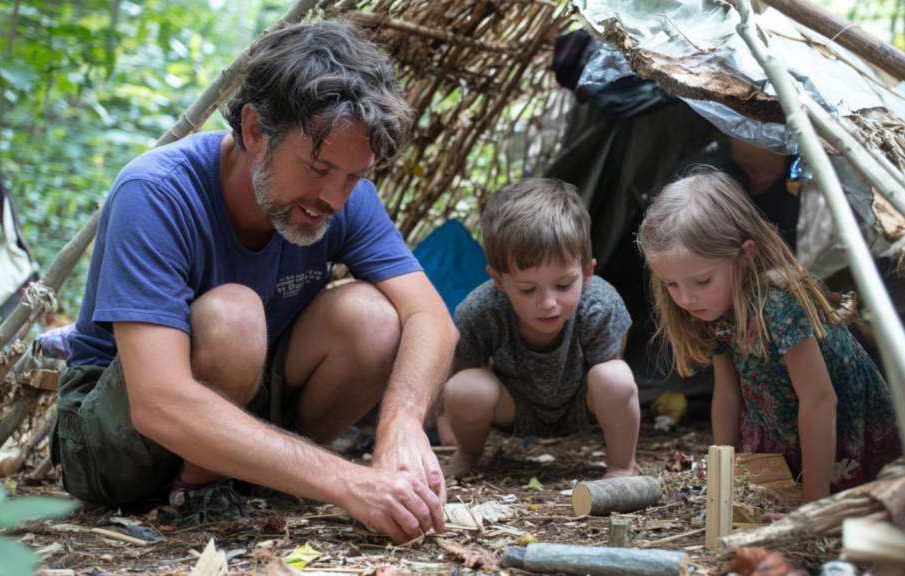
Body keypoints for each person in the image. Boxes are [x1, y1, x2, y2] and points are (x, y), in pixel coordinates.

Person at [50, 20, 459, 543]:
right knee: (235, 315)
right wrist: (349, 482)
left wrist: (401, 425)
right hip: (112, 442)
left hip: (241, 410)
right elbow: (158, 401)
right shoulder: (153, 192)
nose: (332, 198)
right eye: (317, 167)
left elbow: (433, 319)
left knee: (375, 318)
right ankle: (197, 496)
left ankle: (261, 482)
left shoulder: (345, 200)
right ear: (253, 130)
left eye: (354, 176)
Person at [637, 169, 901, 505]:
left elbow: (820, 401)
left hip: (839, 437)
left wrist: (812, 508)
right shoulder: (716, 308)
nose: (687, 299)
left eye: (701, 281)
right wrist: (724, 479)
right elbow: (728, 394)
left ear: (746, 256)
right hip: (784, 429)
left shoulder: (778, 306)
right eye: (671, 284)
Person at [437, 179, 639, 479]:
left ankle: (622, 467)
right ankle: (468, 456)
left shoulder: (601, 304)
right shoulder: (480, 310)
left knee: (615, 377)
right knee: (465, 388)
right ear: (499, 281)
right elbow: (460, 373)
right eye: (528, 289)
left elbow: (614, 378)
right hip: (513, 408)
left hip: (582, 404)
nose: (547, 303)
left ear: (586, 273)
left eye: (563, 285)